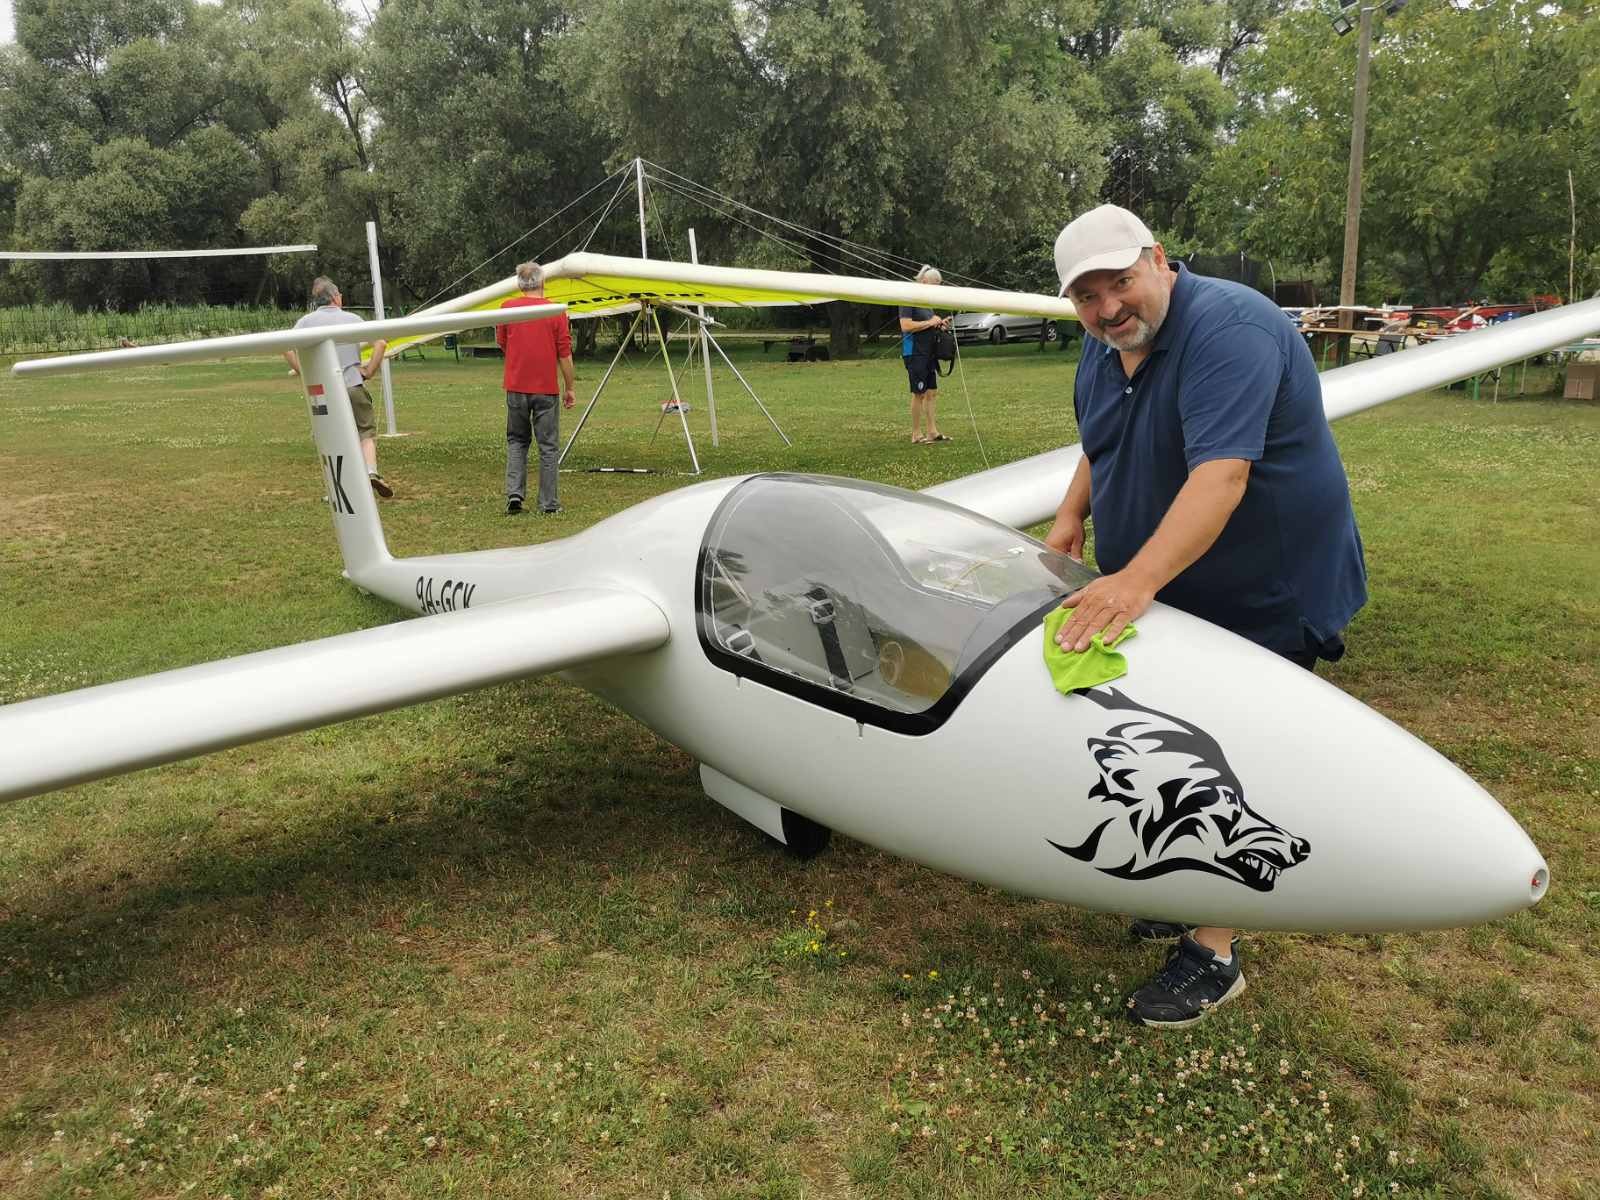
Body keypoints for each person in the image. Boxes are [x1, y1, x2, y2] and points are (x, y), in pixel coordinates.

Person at [1044, 204, 1367, 1028]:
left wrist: (1132, 583)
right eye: (1086, 296)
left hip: (1266, 579)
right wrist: (1070, 516)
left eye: (1119, 282)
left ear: (1157, 259)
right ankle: (1184, 884)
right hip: (1177, 582)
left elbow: (1221, 477)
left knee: (1241, 753)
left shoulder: (1230, 329)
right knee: (1175, 734)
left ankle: (1214, 952)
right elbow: (1099, 437)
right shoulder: (1104, 346)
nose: (1108, 307)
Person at [284, 277, 392, 497]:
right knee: (365, 433)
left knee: (331, 437)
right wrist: (369, 371)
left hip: (324, 392)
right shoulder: (352, 318)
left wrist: (304, 373)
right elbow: (380, 343)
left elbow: (286, 347)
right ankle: (371, 471)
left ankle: (337, 488)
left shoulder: (306, 322)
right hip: (352, 385)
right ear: (335, 297)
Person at [497, 261, 576, 516]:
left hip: (516, 386)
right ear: (542, 283)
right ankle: (549, 503)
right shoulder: (555, 311)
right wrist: (570, 387)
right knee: (548, 446)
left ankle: (515, 494)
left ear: (520, 285)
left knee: (517, 440)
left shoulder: (506, 309)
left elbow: (503, 343)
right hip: (546, 388)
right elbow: (565, 354)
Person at [898, 266, 952, 444]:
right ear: (924, 281)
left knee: (932, 392)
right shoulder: (908, 299)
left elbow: (927, 325)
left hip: (928, 353)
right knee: (919, 393)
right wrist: (930, 322)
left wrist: (939, 324)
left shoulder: (926, 303)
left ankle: (932, 432)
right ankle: (916, 434)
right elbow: (905, 326)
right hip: (914, 353)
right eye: (933, 286)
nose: (935, 291)